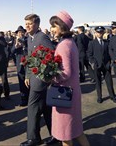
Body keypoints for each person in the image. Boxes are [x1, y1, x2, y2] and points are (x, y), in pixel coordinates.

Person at [49, 11, 90, 146]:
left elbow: (65, 72)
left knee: (65, 135)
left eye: (54, 26)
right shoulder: (70, 42)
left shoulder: (63, 45)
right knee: (76, 132)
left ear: (62, 27)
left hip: (65, 95)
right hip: (72, 92)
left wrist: (51, 78)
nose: (52, 29)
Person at [20, 14, 56, 146]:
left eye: (29, 23)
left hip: (40, 81)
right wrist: (28, 76)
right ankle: (56, 135)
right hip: (34, 79)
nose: (27, 26)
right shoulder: (30, 38)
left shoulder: (42, 37)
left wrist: (45, 77)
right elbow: (30, 59)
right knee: (46, 109)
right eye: (26, 24)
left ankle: (33, 138)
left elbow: (52, 57)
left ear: (36, 24)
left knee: (33, 108)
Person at [87, 26, 116, 104]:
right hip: (97, 65)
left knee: (109, 81)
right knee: (98, 82)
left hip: (106, 65)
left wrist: (110, 62)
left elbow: (109, 53)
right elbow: (89, 54)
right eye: (98, 32)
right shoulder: (92, 43)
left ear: (103, 33)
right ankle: (99, 97)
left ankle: (112, 96)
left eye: (101, 32)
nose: (99, 34)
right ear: (95, 33)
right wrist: (93, 62)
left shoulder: (106, 42)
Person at [11, 26, 29, 106]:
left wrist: (23, 45)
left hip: (27, 63)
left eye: (21, 32)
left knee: (29, 81)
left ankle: (30, 98)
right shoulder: (15, 41)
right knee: (21, 82)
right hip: (19, 64)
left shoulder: (27, 39)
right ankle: (23, 99)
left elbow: (29, 48)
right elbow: (11, 52)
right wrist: (15, 47)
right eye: (18, 32)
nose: (20, 33)